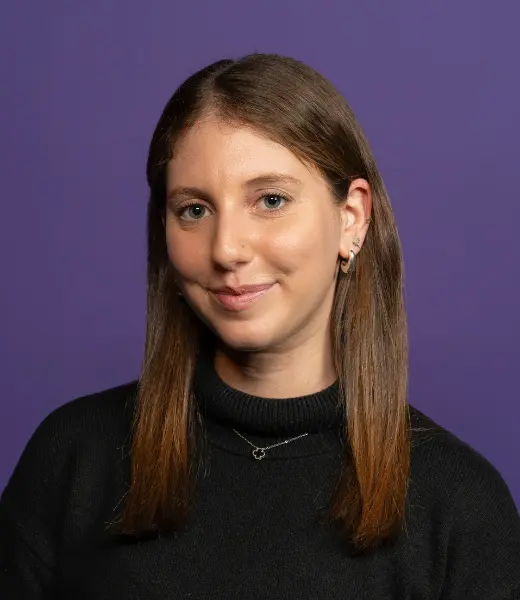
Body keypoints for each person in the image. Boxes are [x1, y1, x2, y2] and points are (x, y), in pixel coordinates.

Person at [1, 53, 519, 600]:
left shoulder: (461, 507)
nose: (226, 249)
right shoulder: (72, 458)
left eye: (270, 200)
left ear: (352, 219)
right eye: (194, 210)